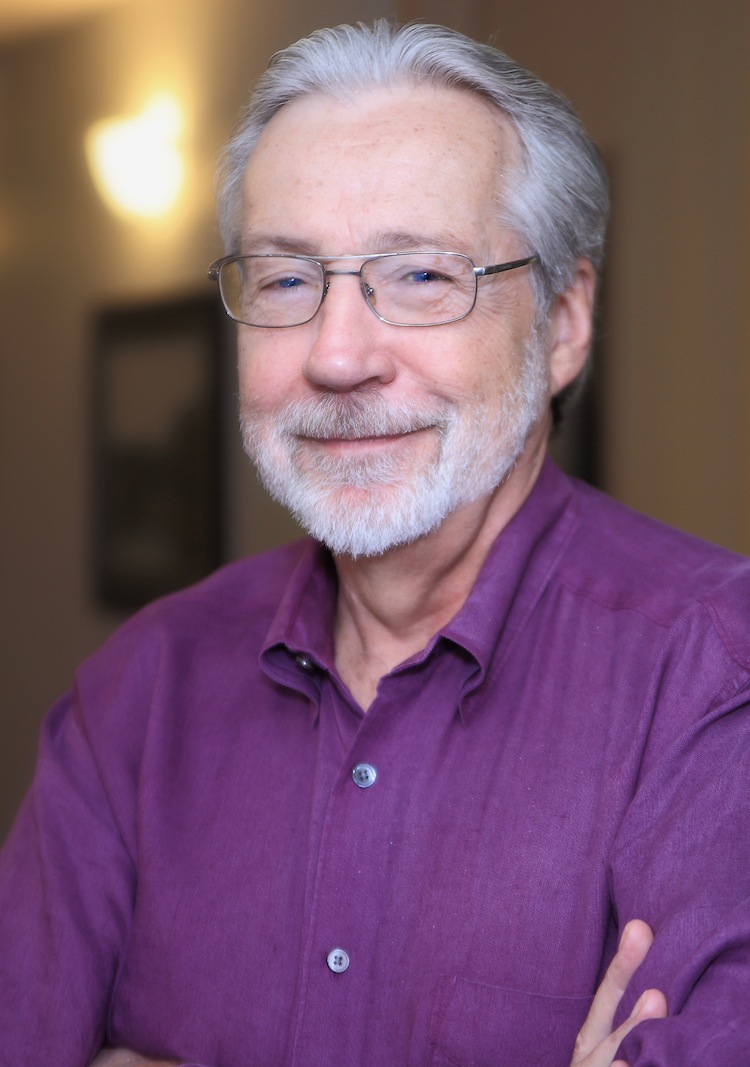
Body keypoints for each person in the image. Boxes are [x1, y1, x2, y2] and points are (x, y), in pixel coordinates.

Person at [1, 18, 748, 1067]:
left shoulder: (710, 674)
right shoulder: (140, 691)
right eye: (286, 281)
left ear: (565, 322)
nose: (339, 355)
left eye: (422, 276)